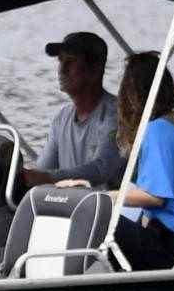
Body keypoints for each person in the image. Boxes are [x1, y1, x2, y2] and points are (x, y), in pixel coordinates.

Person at [65, 52, 174, 273]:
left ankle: (70, 284)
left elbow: (155, 197)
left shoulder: (157, 129)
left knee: (97, 219)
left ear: (133, 93)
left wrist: (98, 198)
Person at [16, 30, 124, 194]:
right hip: (67, 208)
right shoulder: (61, 118)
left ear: (95, 70)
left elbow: (102, 168)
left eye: (70, 62)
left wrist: (48, 178)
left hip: (105, 212)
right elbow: (43, 169)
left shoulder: (117, 114)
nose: (61, 69)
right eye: (60, 61)